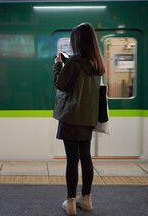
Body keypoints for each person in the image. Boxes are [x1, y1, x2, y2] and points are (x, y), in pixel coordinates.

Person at [53, 23, 105, 215]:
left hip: (71, 117)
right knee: (86, 158)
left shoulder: (74, 62)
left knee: (72, 160)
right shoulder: (97, 63)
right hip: (87, 118)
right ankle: (87, 199)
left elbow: (60, 84)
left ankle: (71, 202)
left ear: (78, 42)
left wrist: (58, 64)